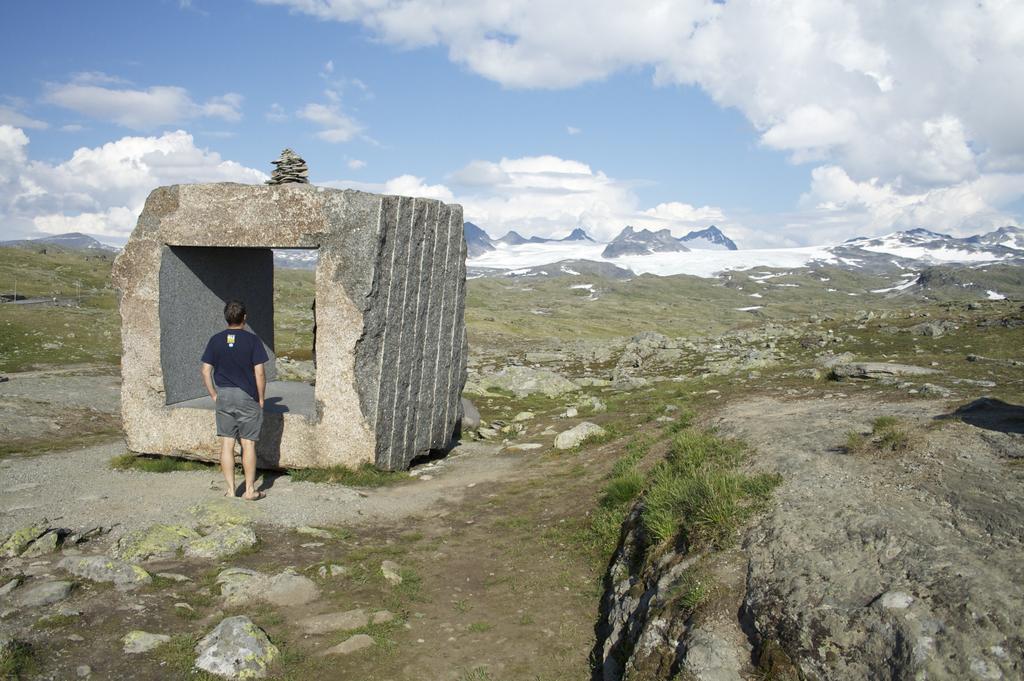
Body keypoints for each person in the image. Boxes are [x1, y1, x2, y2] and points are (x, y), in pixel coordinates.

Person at [200, 300, 268, 500]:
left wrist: (214, 394)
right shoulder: (253, 341)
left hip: (224, 394)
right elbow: (260, 373)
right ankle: (249, 490)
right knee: (248, 444)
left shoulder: (215, 340)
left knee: (227, 444)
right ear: (244, 318)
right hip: (246, 395)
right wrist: (261, 398)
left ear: (226, 317)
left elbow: (205, 370)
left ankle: (230, 490)